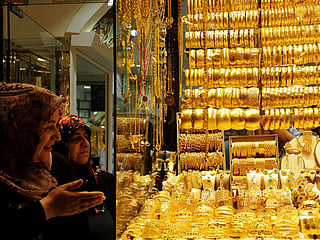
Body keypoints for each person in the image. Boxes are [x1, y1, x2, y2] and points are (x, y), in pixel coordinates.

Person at [0, 83, 105, 240]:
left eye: (57, 126)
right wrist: (47, 208)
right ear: (20, 129)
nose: (58, 137)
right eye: (49, 127)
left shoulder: (58, 166)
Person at [44, 114, 114, 240]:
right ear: (62, 144)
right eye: (76, 139)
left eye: (86, 137)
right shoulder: (54, 185)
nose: (85, 144)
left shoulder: (98, 179)